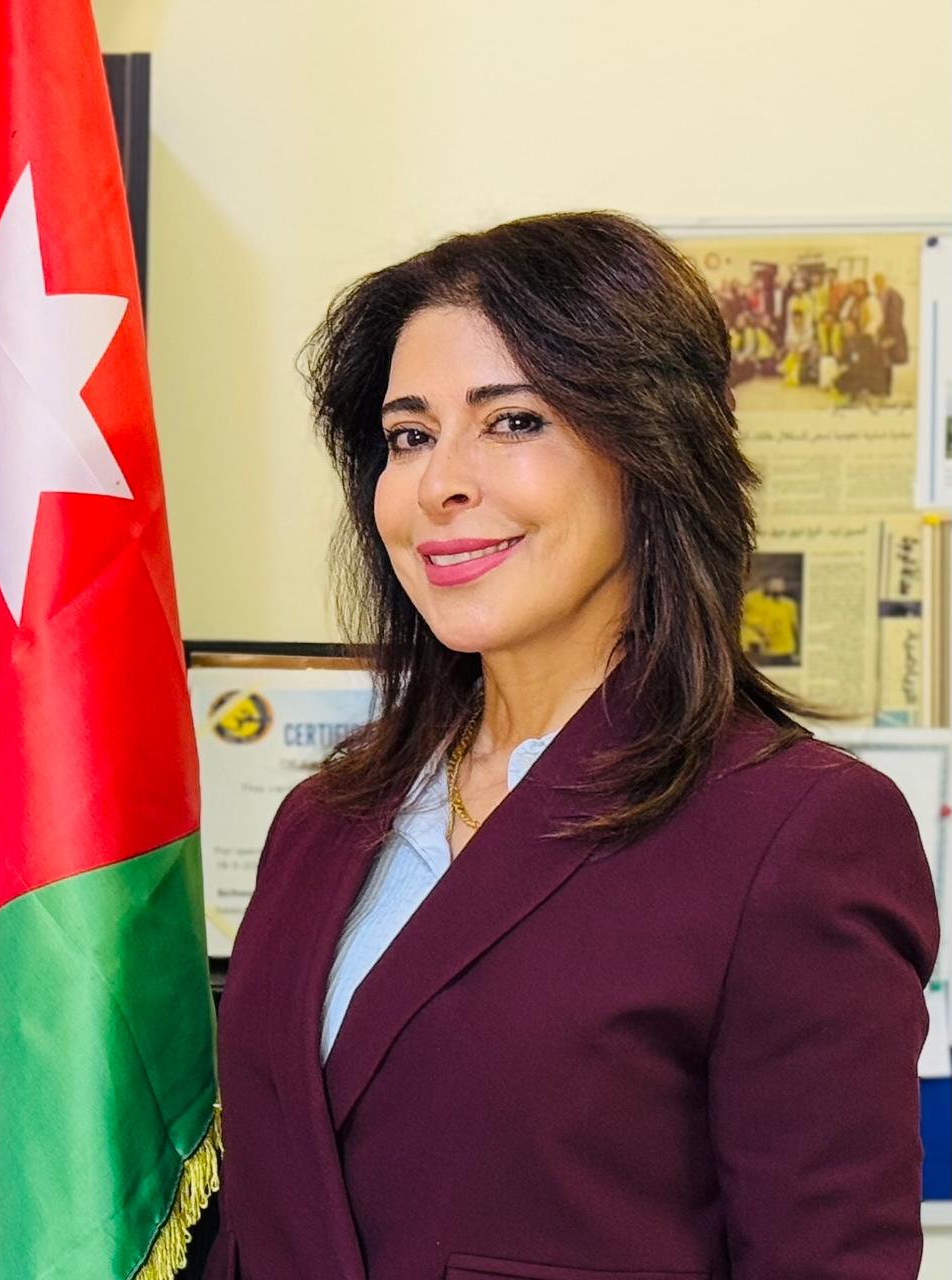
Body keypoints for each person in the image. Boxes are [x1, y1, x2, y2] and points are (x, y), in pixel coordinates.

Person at [204, 212, 939, 1280]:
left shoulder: (798, 832)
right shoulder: (321, 820)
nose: (440, 484)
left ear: (648, 452)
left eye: (512, 421)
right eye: (409, 435)